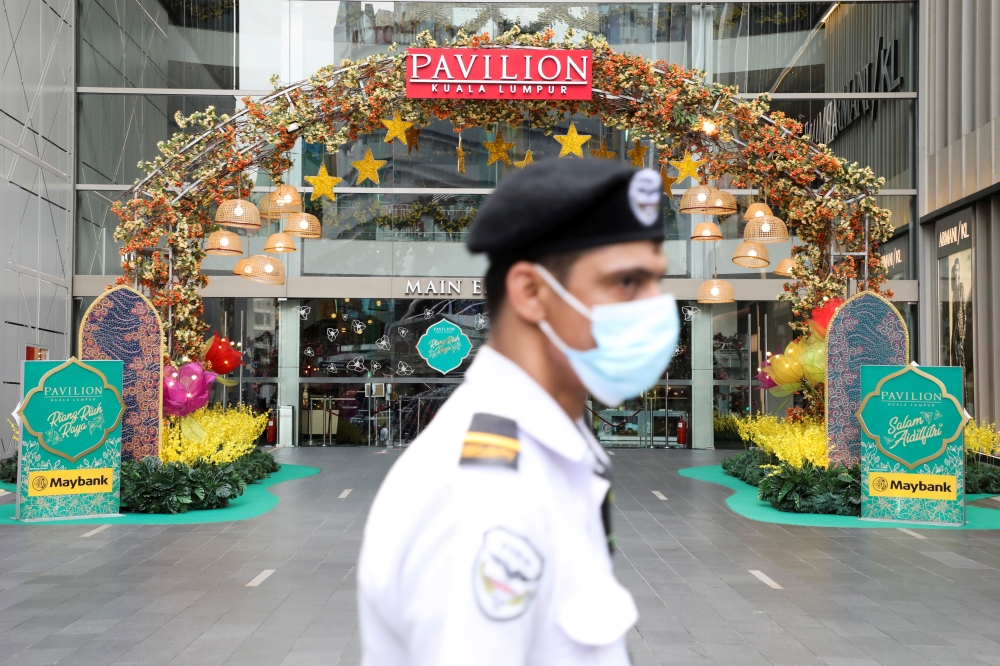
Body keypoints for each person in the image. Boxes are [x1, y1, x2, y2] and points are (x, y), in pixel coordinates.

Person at [358, 159, 680, 665]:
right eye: (626, 283)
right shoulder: (486, 498)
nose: (654, 307)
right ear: (531, 293)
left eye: (655, 282)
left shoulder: (554, 449)